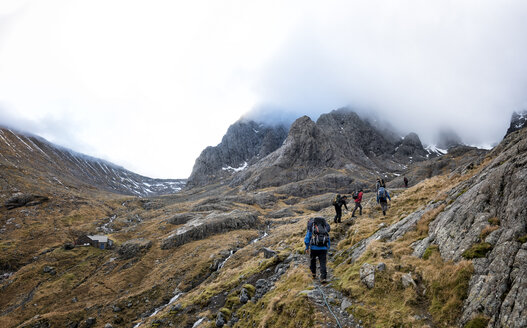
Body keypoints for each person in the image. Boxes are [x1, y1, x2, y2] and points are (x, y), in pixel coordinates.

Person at [304, 217, 330, 283]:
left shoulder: (312, 227)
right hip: (323, 248)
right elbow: (328, 237)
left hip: (313, 248)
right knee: (323, 262)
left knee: (313, 260)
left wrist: (307, 247)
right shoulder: (324, 227)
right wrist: (328, 247)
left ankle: (313, 274)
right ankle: (323, 277)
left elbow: (307, 237)